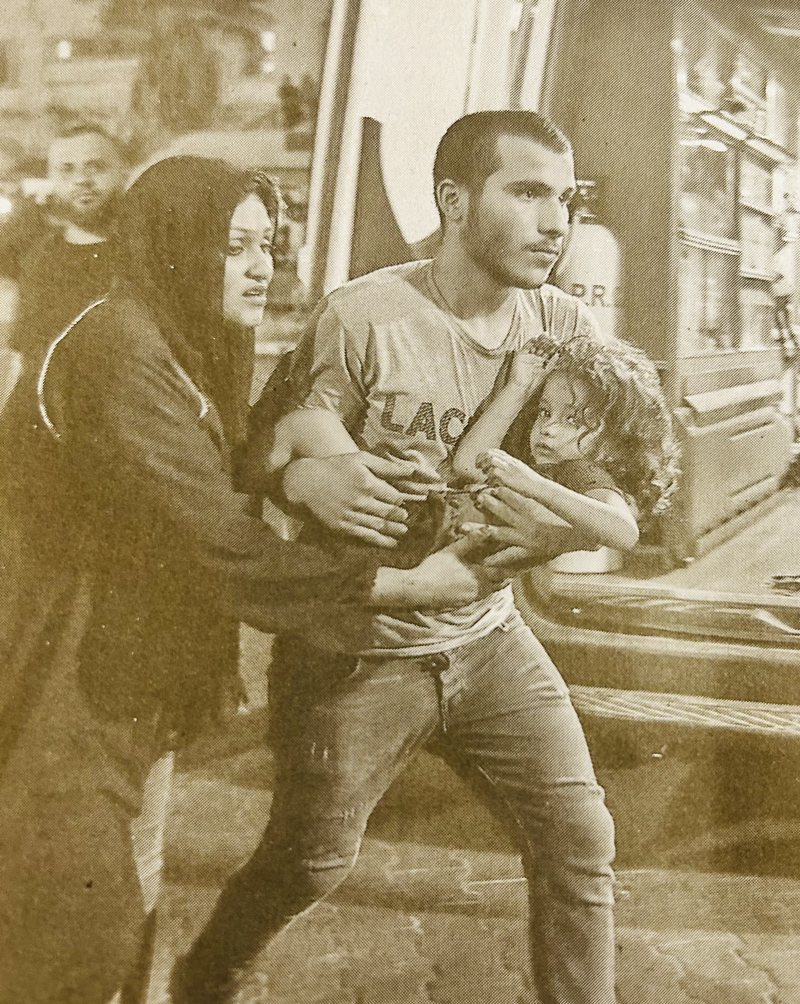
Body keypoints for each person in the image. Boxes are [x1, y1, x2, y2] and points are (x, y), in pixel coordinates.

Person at [0, 155, 499, 1004]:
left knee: (132, 887)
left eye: (267, 244)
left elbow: (216, 470)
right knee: (76, 929)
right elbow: (218, 543)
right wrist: (413, 586)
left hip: (128, 670)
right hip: (60, 669)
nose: (260, 267)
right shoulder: (118, 346)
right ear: (176, 245)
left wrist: (304, 473)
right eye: (234, 247)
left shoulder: (182, 335)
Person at [174, 110, 622, 1004]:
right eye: (528, 194)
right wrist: (305, 479)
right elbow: (259, 456)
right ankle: (205, 979)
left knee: (581, 842)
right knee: (311, 859)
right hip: (356, 651)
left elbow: (596, 471)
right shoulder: (365, 315)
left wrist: (572, 526)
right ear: (454, 201)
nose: (556, 224)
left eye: (566, 201)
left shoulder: (563, 322)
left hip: (489, 638)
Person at [450, 333, 676, 565]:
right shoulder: (544, 467)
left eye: (572, 419)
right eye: (545, 412)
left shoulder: (580, 471)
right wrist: (518, 387)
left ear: (615, 443)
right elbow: (468, 464)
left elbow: (625, 532)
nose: (548, 428)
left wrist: (532, 484)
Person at [0, 123, 127, 389]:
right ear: (52, 180)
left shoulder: (146, 255)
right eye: (66, 170)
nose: (81, 180)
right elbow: (24, 361)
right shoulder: (38, 257)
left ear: (122, 172)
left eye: (96, 167)